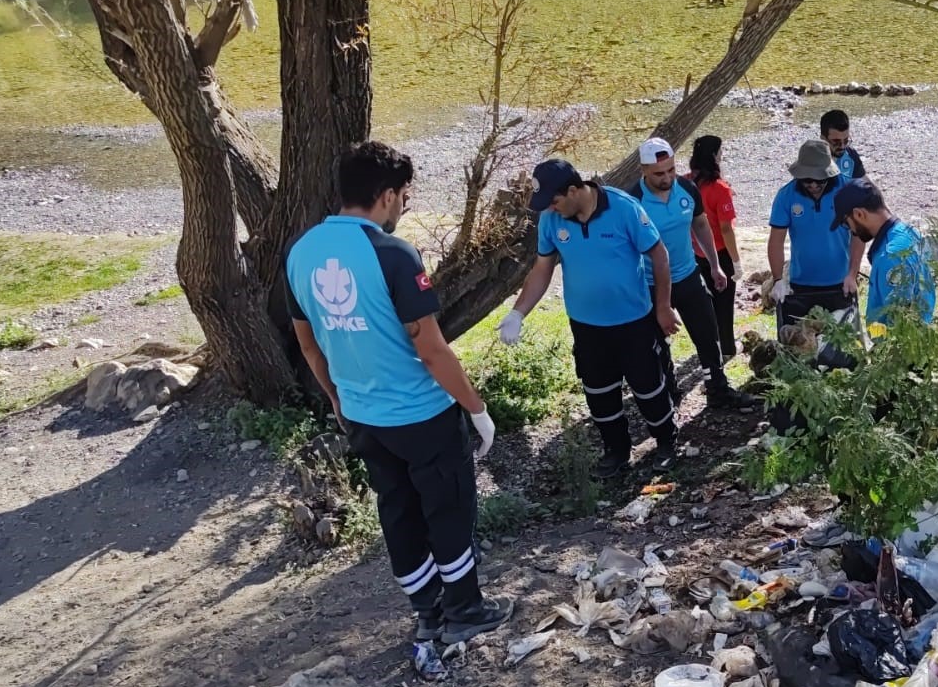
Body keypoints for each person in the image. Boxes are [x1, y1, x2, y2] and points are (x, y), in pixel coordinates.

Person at [285, 141, 511, 647]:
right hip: (419, 412)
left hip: (364, 415)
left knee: (398, 511)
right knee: (448, 509)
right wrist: (476, 409)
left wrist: (338, 401)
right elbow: (430, 348)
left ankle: (426, 612)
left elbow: (308, 344)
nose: (405, 205)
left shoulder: (301, 253)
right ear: (386, 195)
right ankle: (465, 609)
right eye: (404, 195)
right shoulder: (390, 254)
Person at [499, 159, 682, 480]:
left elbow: (658, 254)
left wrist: (663, 306)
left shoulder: (623, 208)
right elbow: (542, 269)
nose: (551, 209)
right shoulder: (551, 220)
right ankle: (616, 450)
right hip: (587, 327)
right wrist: (518, 312)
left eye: (555, 201)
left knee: (648, 387)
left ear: (573, 190)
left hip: (633, 322)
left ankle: (667, 442)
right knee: (599, 392)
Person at [632, 137, 755, 409]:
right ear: (643, 170)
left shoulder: (686, 188)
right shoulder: (633, 201)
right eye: (659, 174)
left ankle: (718, 389)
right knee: (656, 341)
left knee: (708, 333)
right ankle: (669, 392)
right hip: (650, 283)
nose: (667, 178)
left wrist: (714, 264)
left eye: (671, 170)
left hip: (688, 274)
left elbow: (701, 225)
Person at [768, 139, 865, 327]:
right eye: (807, 180)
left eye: (819, 180)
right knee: (800, 349)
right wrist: (778, 279)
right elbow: (776, 241)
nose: (813, 185)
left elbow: (858, 236)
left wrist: (852, 274)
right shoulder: (786, 196)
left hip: (839, 283)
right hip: (801, 285)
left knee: (841, 348)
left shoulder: (847, 191)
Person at [830, 180, 936, 326]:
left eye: (847, 223)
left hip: (899, 345)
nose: (851, 230)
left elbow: (899, 323)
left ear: (859, 214)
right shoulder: (911, 233)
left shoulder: (890, 258)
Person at [686, 135, 740, 359]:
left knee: (704, 304)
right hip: (719, 253)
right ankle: (727, 348)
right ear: (714, 157)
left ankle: (708, 346)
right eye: (720, 152)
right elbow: (726, 229)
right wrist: (736, 262)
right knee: (724, 305)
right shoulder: (720, 189)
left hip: (694, 253)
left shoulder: (685, 183)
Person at [821, 109, 868, 185]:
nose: (842, 146)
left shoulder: (850, 154)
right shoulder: (811, 161)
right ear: (823, 138)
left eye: (846, 140)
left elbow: (863, 181)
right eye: (836, 142)